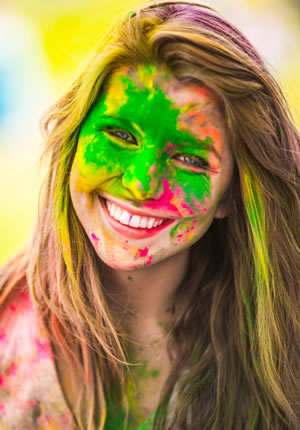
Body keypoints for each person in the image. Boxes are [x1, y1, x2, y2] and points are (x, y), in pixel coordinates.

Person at [0, 1, 299, 429]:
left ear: (233, 194)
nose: (142, 183)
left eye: (190, 159)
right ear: (73, 141)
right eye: (120, 134)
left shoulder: (283, 353)